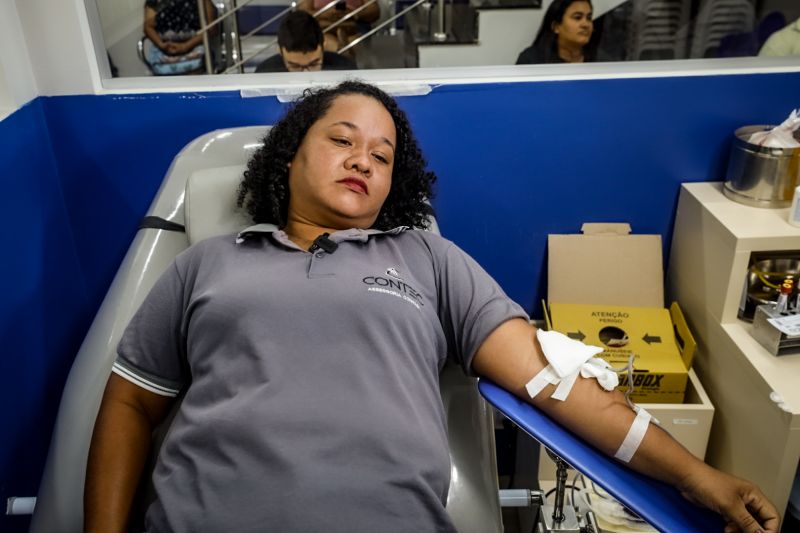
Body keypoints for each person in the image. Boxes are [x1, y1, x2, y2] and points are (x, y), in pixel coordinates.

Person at [84, 81, 781, 533]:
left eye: (382, 155)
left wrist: (701, 476)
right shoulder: (208, 262)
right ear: (290, 154)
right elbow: (128, 404)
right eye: (342, 139)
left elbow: (557, 386)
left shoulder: (428, 261)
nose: (363, 159)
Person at [255, 11, 357, 73]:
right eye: (295, 66)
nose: (305, 74)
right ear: (280, 52)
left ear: (323, 47)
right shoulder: (266, 73)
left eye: (313, 64)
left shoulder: (344, 70)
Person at [143, 0, 217, 75]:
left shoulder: (202, 1)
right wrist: (161, 44)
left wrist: (185, 46)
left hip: (195, 50)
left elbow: (211, 28)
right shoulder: (154, 2)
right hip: (164, 52)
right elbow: (148, 27)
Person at [517, 0, 598, 64]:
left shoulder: (601, 58)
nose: (586, 24)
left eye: (589, 18)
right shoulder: (532, 60)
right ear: (556, 26)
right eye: (577, 17)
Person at [297, 0, 379, 53]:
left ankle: (342, 52)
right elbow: (302, 12)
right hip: (323, 25)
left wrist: (353, 14)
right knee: (326, 41)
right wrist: (324, 14)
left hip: (355, 24)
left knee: (355, 42)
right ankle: (344, 53)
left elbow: (374, 10)